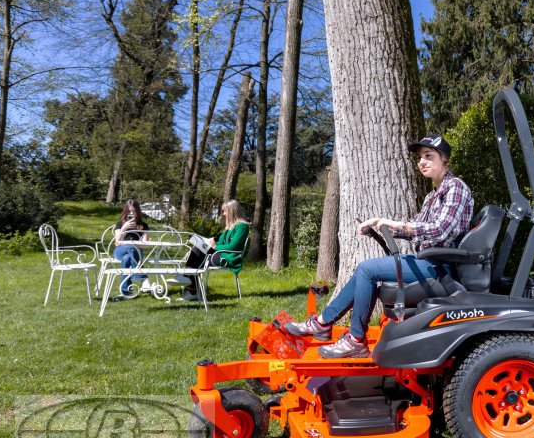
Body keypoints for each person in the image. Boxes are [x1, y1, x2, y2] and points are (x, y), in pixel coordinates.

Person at [285, 134, 474, 358]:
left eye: (428, 156)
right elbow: (414, 226)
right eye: (420, 157)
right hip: (428, 261)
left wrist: (396, 225)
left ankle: (353, 339)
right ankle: (323, 323)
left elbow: (441, 230)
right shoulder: (433, 196)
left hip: (440, 267)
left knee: (368, 269)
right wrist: (378, 223)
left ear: (444, 160)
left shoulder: (456, 188)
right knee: (366, 272)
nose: (422, 162)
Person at [178, 199, 251, 301]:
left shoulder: (242, 227)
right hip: (220, 254)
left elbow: (233, 246)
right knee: (197, 250)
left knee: (197, 255)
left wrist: (214, 247)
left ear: (232, 211)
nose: (224, 214)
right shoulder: (229, 227)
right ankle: (191, 285)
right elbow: (220, 243)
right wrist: (210, 244)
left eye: (225, 211)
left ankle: (190, 284)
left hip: (229, 257)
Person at [113, 198, 149, 297]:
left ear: (138, 211)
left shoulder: (143, 225)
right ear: (125, 212)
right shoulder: (120, 224)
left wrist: (134, 244)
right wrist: (124, 228)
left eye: (134, 211)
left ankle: (126, 292)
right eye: (129, 211)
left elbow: (145, 244)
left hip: (137, 251)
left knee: (127, 259)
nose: (132, 214)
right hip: (120, 250)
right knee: (130, 247)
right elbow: (117, 241)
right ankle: (143, 277)